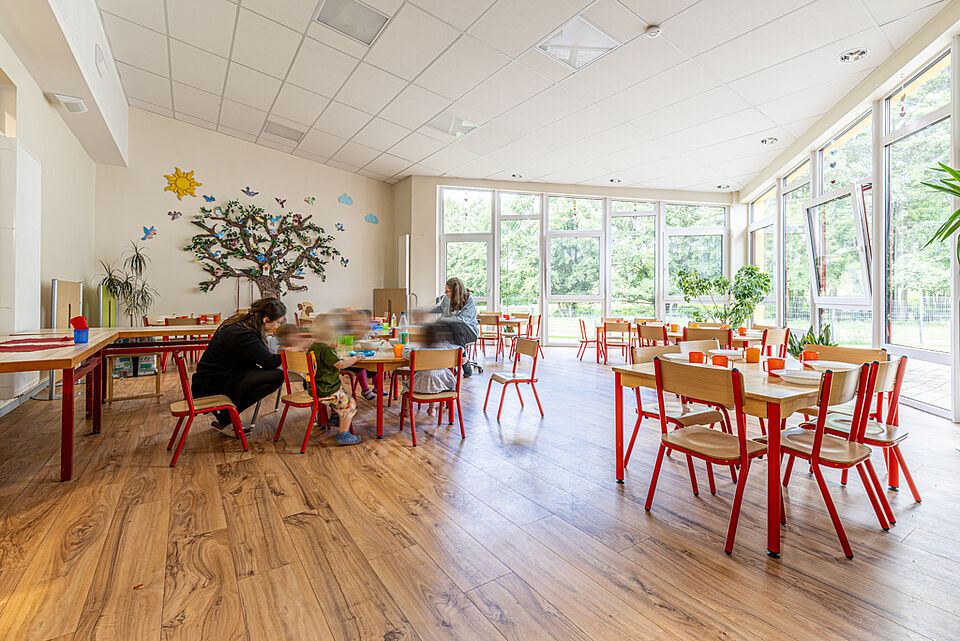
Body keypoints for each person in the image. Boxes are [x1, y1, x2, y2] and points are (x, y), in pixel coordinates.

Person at [191, 297, 286, 433]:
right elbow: (269, 363)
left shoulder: (239, 323)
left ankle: (227, 415)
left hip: (211, 378)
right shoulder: (244, 334)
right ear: (266, 319)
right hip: (213, 384)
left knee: (261, 373)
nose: (278, 326)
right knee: (277, 376)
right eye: (278, 322)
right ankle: (227, 416)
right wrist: (288, 352)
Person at [279, 316, 363, 446]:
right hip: (326, 390)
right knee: (350, 405)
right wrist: (356, 358)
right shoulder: (326, 349)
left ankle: (335, 417)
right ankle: (344, 435)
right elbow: (340, 365)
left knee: (341, 391)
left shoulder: (314, 347)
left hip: (314, 388)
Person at [401, 323, 458, 416]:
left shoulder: (418, 351)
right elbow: (460, 349)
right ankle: (432, 408)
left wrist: (407, 345)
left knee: (407, 386)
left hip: (420, 387)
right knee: (434, 381)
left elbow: (405, 353)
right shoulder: (448, 350)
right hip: (443, 386)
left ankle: (406, 411)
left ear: (425, 338)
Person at [430, 277, 481, 377]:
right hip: (453, 332)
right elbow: (439, 309)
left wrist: (442, 320)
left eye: (447, 291)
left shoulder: (468, 301)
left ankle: (462, 361)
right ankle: (452, 365)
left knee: (454, 326)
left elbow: (461, 320)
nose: (445, 293)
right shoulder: (446, 298)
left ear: (455, 293)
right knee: (438, 329)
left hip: (469, 331)